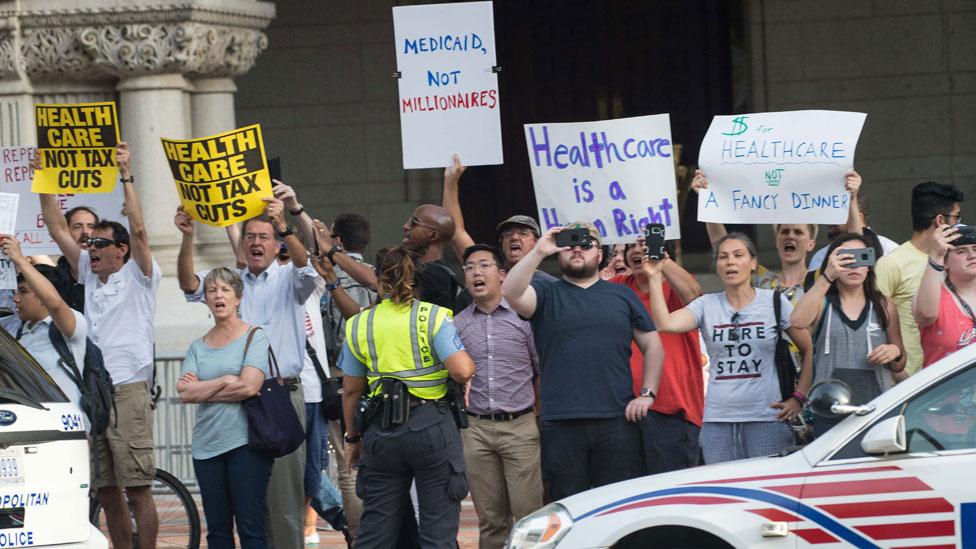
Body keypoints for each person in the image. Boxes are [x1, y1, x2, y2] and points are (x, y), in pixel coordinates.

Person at [176, 195, 319, 549]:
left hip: (278, 396)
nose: (257, 242)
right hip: (232, 411)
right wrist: (187, 238)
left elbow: (306, 265)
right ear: (241, 244)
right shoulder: (230, 283)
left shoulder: (289, 278)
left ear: (276, 245)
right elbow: (189, 284)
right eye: (250, 236)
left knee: (284, 504)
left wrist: (285, 223)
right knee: (247, 510)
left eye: (264, 237)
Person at [39, 142, 160, 549]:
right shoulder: (89, 275)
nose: (90, 249)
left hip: (128, 389)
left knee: (137, 487)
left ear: (121, 250)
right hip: (96, 392)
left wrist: (126, 174)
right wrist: (44, 179)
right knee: (106, 490)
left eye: (99, 244)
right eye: (88, 245)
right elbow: (57, 229)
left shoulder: (141, 276)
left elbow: (140, 230)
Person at [502, 223, 664, 501]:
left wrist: (647, 394)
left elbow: (652, 344)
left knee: (618, 506)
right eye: (569, 244)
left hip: (617, 419)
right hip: (561, 422)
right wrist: (539, 250)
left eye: (586, 244)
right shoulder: (545, 293)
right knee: (567, 507)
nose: (577, 248)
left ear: (599, 254)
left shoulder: (622, 294)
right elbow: (511, 293)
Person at [338, 245, 475, 548]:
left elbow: (351, 390)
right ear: (417, 279)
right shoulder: (434, 317)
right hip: (431, 427)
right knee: (437, 533)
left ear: (378, 278)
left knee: (376, 531)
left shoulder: (360, 323)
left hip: (380, 432)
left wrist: (353, 438)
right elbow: (462, 370)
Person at [642, 233, 813, 464]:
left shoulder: (773, 301)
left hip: (767, 419)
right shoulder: (706, 304)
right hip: (717, 422)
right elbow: (665, 323)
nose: (730, 262)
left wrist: (798, 398)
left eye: (738, 255)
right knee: (724, 495)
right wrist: (654, 275)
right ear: (717, 267)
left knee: (765, 491)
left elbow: (808, 349)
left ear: (753, 263)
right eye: (723, 257)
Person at [177, 268, 272, 549]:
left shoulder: (255, 336)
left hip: (245, 444)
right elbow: (184, 393)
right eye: (211, 290)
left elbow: (249, 387)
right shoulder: (197, 346)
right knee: (217, 532)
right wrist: (225, 380)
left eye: (225, 290)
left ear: (238, 297)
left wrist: (204, 389)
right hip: (206, 446)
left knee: (250, 526)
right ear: (205, 299)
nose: (218, 295)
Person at [455, 244, 542, 549]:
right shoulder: (458, 324)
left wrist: (537, 418)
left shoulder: (524, 319)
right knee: (491, 521)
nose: (476, 273)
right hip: (475, 430)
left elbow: (540, 370)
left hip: (520, 426)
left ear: (503, 274)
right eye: (469, 268)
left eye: (484, 266)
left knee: (530, 517)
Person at [791, 233, 906, 437]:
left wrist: (894, 351)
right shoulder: (822, 302)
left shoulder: (883, 305)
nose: (853, 266)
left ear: (870, 264)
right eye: (845, 259)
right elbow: (798, 321)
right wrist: (827, 276)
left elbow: (899, 364)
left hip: (876, 409)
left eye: (861, 258)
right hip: (828, 409)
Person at [691, 169, 863, 302]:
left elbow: (855, 248)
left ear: (811, 244)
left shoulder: (823, 278)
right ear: (776, 240)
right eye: (785, 231)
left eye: (798, 232)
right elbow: (721, 244)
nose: (790, 236)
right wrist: (707, 199)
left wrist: (852, 199)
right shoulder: (760, 278)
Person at [610, 242, 705, 474]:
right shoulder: (617, 287)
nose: (635, 251)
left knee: (671, 496)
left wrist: (662, 261)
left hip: (671, 412)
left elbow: (694, 296)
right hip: (621, 412)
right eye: (630, 246)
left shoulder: (675, 286)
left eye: (642, 245)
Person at [313, 216, 374, 542]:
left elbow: (330, 335)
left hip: (342, 378)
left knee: (348, 464)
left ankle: (358, 536)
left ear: (336, 239)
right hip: (376, 379)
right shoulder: (376, 277)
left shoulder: (331, 280)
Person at [877, 181, 965, 376]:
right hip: (910, 381)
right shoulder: (892, 263)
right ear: (940, 220)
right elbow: (874, 323)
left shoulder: (959, 261)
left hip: (953, 378)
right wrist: (898, 373)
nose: (960, 225)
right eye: (957, 218)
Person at [441, 153, 556, 281]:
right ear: (501, 243)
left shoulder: (550, 286)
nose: (514, 237)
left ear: (537, 243)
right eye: (508, 234)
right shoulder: (489, 275)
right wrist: (450, 181)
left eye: (523, 233)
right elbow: (456, 232)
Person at [3, 236, 87, 408]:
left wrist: (20, 258)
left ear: (42, 297)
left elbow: (55, 304)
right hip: (34, 426)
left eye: (23, 292)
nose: (16, 299)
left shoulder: (70, 325)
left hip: (67, 428)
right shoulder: (21, 334)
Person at [914, 224, 976, 367]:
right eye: (961, 251)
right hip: (949, 387)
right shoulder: (933, 294)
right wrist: (936, 256)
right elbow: (926, 315)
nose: (972, 256)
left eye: (975, 249)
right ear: (945, 262)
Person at [807, 197, 898, 272]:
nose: (831, 221)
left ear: (859, 218)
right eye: (830, 216)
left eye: (838, 215)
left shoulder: (889, 250)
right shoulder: (821, 255)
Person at [49, 206, 99, 312]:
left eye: (91, 226)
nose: (85, 232)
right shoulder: (55, 277)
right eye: (77, 227)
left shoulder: (109, 272)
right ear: (66, 233)